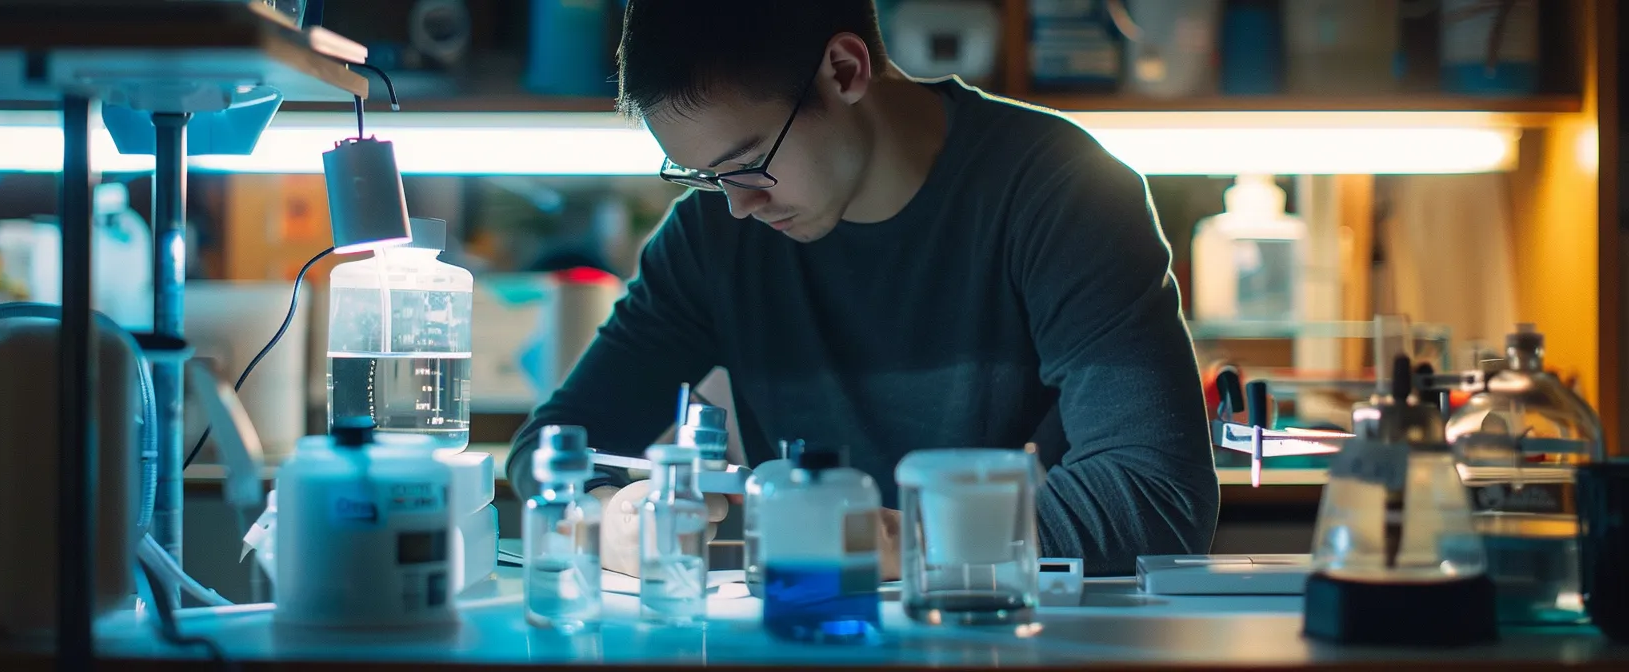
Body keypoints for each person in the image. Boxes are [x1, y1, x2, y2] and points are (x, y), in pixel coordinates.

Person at [506, 0, 1219, 577]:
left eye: (748, 163)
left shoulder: (1059, 193)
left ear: (845, 70)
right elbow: (551, 445)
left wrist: (898, 541)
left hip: (1017, 635)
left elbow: (1155, 494)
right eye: (703, 177)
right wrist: (600, 522)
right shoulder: (712, 240)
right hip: (805, 630)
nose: (736, 206)